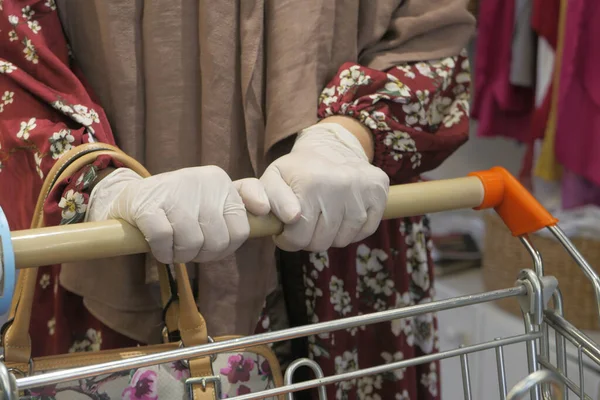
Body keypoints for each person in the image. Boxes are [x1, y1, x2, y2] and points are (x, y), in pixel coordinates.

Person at [0, 0, 474, 398]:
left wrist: (350, 136)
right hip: (110, 250)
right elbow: (11, 50)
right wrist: (99, 184)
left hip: (343, 234)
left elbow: (432, 28)